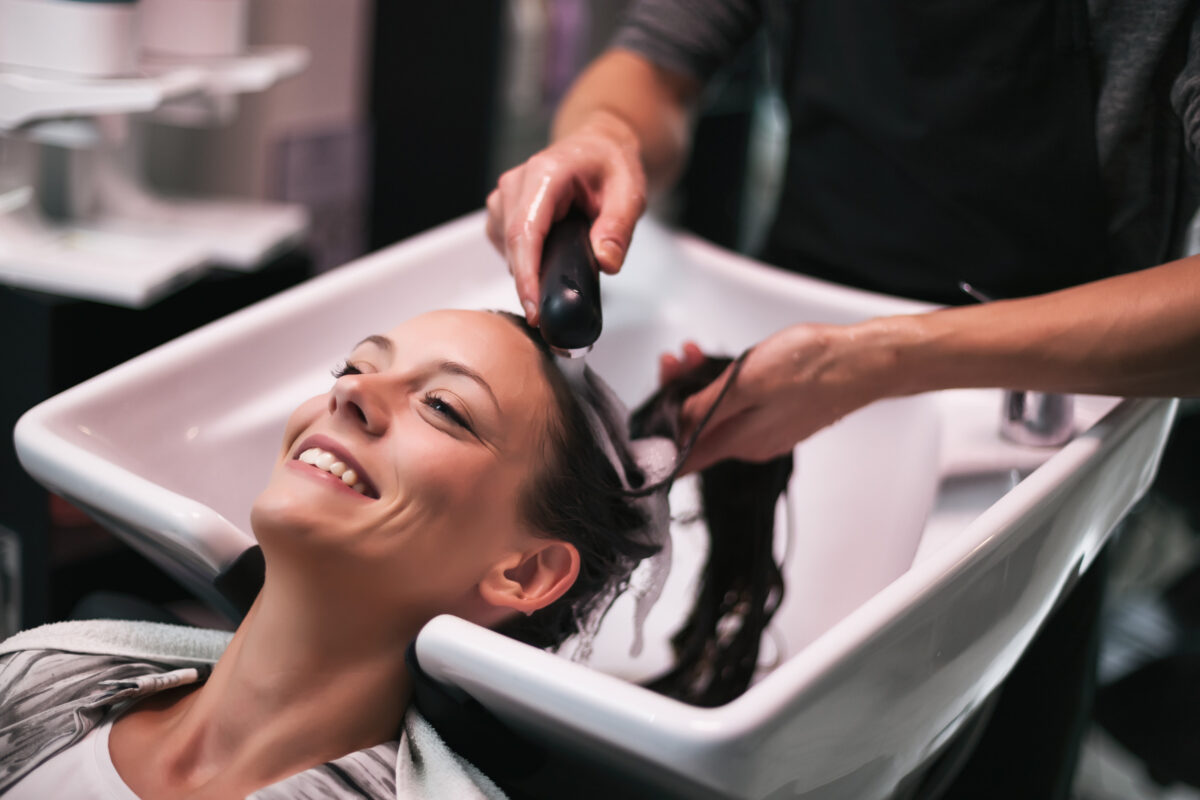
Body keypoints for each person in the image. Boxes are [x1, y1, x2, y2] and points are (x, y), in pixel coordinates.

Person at [485, 2, 1200, 797]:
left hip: (1051, 395)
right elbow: (657, 56)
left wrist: (873, 360)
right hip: (803, 297)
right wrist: (608, 133)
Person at [0, 310, 788, 800]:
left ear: (524, 571)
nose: (349, 394)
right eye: (355, 367)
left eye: (443, 407)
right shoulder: (42, 680)